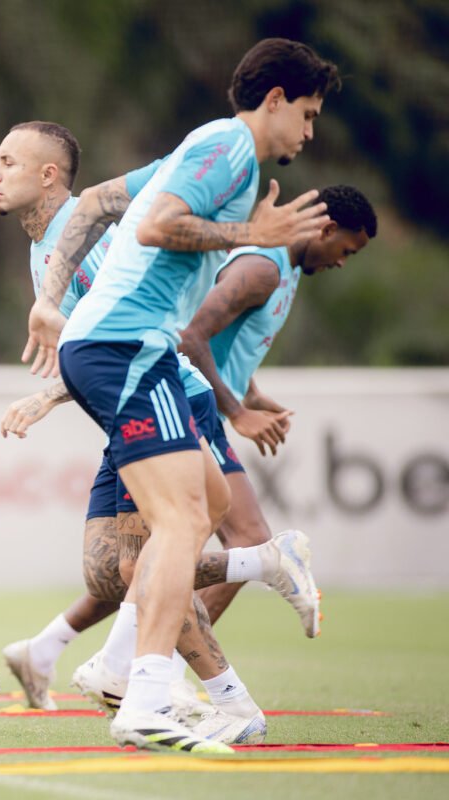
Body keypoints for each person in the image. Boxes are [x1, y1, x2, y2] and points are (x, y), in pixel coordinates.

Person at [23, 38, 340, 752]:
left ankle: (258, 575)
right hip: (127, 345)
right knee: (181, 520)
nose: (309, 133)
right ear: (276, 100)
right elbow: (154, 224)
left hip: (130, 348)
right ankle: (144, 695)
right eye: (309, 114)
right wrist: (247, 233)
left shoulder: (210, 151)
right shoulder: (227, 146)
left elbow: (100, 202)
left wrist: (50, 299)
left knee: (214, 507)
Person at [179, 184, 377, 624]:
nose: (341, 262)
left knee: (150, 551)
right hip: (188, 408)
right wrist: (237, 411)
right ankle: (160, 666)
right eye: (347, 250)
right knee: (248, 540)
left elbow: (227, 338)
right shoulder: (262, 266)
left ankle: (50, 649)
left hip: (199, 407)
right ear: (327, 229)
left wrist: (249, 393)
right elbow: (190, 337)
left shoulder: (283, 267)